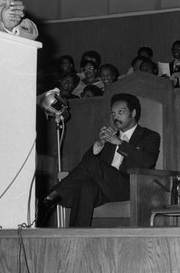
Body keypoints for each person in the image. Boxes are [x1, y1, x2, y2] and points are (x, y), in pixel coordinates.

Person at [36, 93, 161, 227]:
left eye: (120, 112)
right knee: (86, 187)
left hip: (131, 186)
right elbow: (85, 164)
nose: (115, 117)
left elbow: (147, 161)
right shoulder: (110, 136)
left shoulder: (150, 136)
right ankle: (76, 237)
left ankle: (50, 198)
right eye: (113, 113)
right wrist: (100, 143)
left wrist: (119, 142)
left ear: (133, 112)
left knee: (92, 165)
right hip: (105, 188)